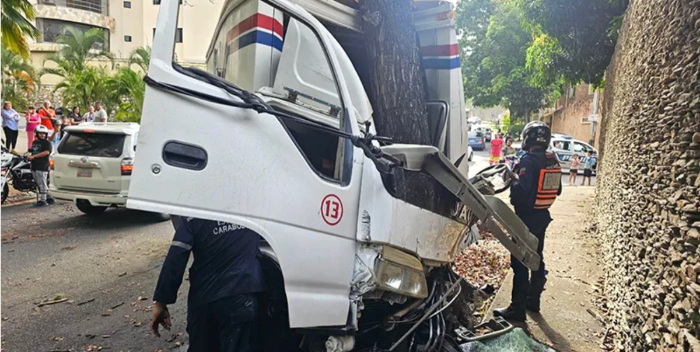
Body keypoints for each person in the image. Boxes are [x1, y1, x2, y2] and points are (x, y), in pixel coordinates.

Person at [151, 218, 265, 351]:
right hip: (240, 296)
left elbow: (176, 258)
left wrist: (161, 301)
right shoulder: (251, 209)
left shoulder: (193, 214)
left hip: (204, 300)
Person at [494, 121, 562, 321]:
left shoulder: (528, 161)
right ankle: (534, 301)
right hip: (542, 216)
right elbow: (558, 189)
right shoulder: (552, 160)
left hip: (525, 218)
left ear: (527, 138)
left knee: (520, 261)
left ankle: (517, 308)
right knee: (537, 257)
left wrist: (511, 177)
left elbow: (521, 192)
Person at [27, 124, 59, 207]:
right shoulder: (34, 142)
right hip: (34, 165)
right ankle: (49, 197)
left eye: (44, 133)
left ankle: (43, 200)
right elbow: (33, 151)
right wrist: (29, 155)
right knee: (38, 182)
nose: (42, 135)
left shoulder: (47, 142)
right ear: (37, 133)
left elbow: (46, 152)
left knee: (42, 183)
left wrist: (34, 156)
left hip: (42, 165)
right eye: (40, 133)